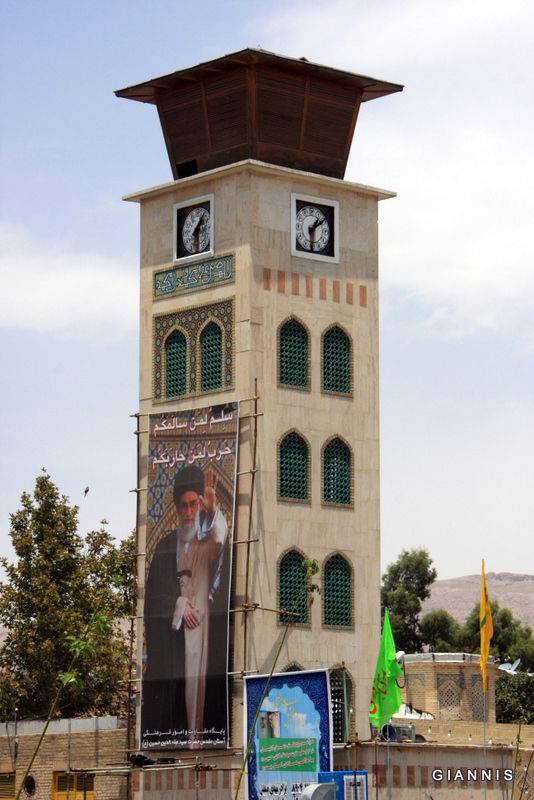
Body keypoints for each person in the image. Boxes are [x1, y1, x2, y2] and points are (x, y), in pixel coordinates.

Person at [142, 465, 229, 748]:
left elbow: (220, 538)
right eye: (184, 506)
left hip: (200, 634)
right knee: (173, 694)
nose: (188, 512)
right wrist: (179, 605)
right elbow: (153, 598)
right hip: (173, 637)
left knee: (197, 695)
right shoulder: (166, 546)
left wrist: (213, 508)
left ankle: (196, 745)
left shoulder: (206, 543)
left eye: (194, 505)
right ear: (177, 508)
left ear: (200, 505)